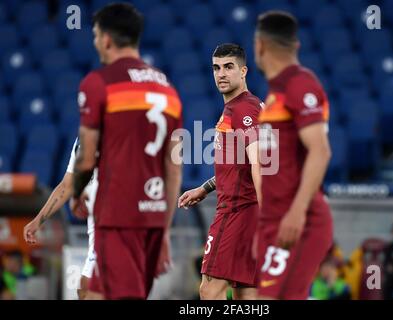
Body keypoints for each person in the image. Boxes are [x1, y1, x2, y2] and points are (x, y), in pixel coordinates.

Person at [70, 3, 182, 300]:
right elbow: (174, 168)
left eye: (95, 35)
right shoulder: (168, 90)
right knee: (95, 293)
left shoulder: (99, 83)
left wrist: (77, 192)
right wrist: (165, 229)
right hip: (154, 218)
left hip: (118, 215)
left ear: (106, 38)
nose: (95, 43)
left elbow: (87, 154)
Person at [253, 11, 333, 299]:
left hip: (299, 220)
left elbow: (320, 151)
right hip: (274, 220)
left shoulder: (299, 84)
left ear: (259, 45)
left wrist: (297, 212)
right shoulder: (276, 91)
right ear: (295, 46)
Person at [178, 44, 262, 300]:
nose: (221, 74)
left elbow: (260, 163)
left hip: (237, 211)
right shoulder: (246, 106)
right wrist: (206, 187)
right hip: (249, 211)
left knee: (209, 289)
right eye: (216, 67)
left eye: (228, 67)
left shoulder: (243, 109)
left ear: (243, 71)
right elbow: (241, 165)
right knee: (246, 294)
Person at [23, 138, 98, 300]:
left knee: (90, 290)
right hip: (98, 229)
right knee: (85, 290)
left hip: (116, 226)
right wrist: (38, 221)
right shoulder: (82, 141)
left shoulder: (120, 132)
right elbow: (67, 185)